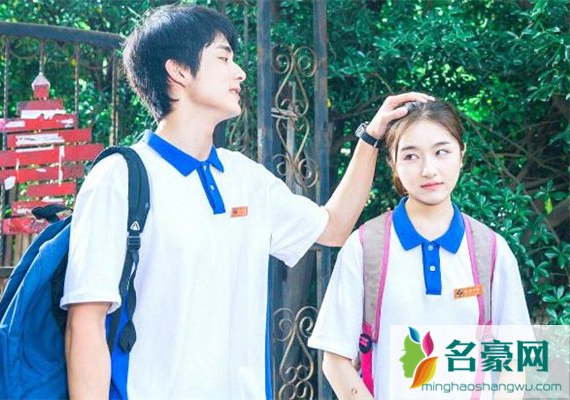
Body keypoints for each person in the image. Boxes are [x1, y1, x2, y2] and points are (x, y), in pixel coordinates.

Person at [61, 4, 432, 399]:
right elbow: (85, 323)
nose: (239, 72)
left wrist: (370, 138)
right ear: (179, 71)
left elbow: (334, 228)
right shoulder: (119, 177)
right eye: (223, 58)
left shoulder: (244, 177)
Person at [308, 100, 531, 399]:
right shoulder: (365, 246)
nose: (429, 170)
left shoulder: (491, 249)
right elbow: (335, 360)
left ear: (461, 155)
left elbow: (513, 360)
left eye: (442, 152)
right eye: (411, 156)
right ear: (393, 164)